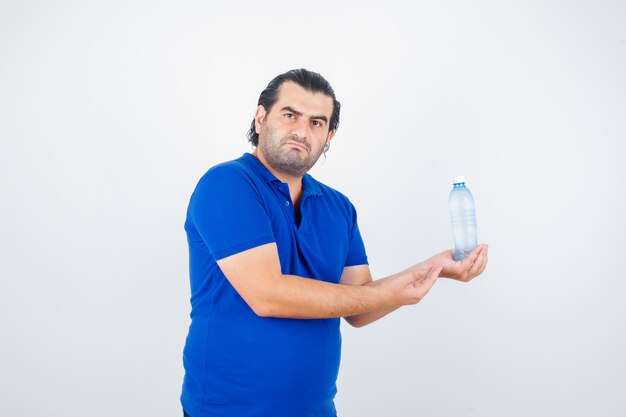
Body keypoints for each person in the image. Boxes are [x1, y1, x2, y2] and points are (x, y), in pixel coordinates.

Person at [180, 68, 488, 417]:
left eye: (316, 122)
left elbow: (360, 305)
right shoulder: (226, 184)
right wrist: (390, 293)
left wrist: (435, 268)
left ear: (329, 135)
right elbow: (267, 295)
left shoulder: (338, 207)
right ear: (261, 117)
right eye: (290, 115)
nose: (301, 130)